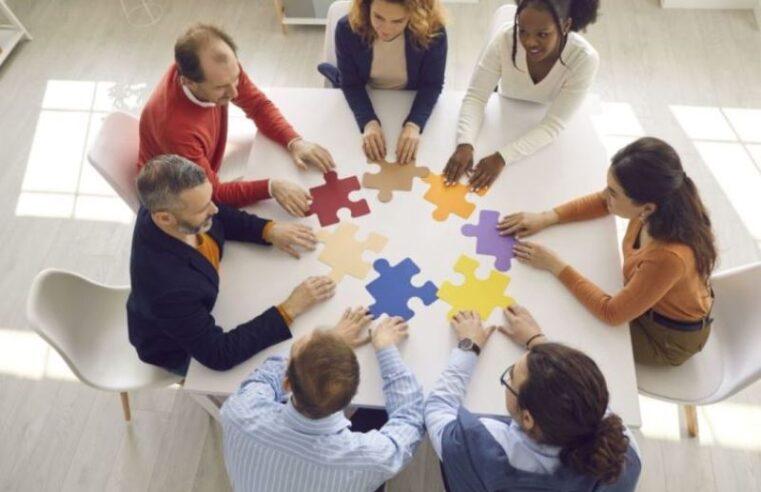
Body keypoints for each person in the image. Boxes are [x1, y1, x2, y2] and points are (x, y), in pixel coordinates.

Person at [501, 137, 717, 366]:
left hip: (665, 338)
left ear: (646, 208)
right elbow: (603, 203)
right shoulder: (661, 205)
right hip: (647, 304)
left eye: (613, 192)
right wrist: (546, 218)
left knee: (569, 330)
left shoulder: (669, 257)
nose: (605, 195)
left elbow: (611, 313)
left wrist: (554, 265)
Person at [127, 154, 336, 376]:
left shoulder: (173, 206)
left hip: (202, 301)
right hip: (179, 350)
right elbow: (219, 354)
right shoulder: (168, 291)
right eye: (202, 209)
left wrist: (267, 230)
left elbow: (220, 215)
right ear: (164, 218)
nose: (214, 210)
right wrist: (290, 309)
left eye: (210, 199)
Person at [426, 306, 641, 491]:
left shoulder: (473, 444)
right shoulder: (626, 454)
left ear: (528, 418)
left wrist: (469, 346)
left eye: (511, 376)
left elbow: (437, 407)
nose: (510, 378)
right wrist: (538, 342)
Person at [139, 23, 335, 215]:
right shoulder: (174, 129)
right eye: (220, 88)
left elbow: (257, 106)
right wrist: (271, 187)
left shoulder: (222, 72)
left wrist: (294, 141)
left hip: (203, 162)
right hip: (174, 193)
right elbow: (212, 194)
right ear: (189, 83)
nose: (234, 92)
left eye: (236, 78)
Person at [221, 309, 425, 492]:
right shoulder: (369, 460)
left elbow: (264, 378)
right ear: (352, 396)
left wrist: (327, 344)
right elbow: (409, 420)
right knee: (378, 412)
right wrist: (386, 349)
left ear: (287, 383)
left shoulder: (238, 412)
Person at [443, 0, 600, 190]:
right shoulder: (505, 39)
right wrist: (465, 143)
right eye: (523, 31)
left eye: (542, 34)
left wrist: (502, 158)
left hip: (542, 131)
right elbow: (476, 97)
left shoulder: (584, 59)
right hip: (505, 116)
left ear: (565, 25)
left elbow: (553, 125)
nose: (529, 42)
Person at [324, 0, 447, 164]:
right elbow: (351, 84)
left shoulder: (433, 32)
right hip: (368, 93)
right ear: (366, 6)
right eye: (378, 17)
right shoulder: (346, 29)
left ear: (415, 15)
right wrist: (368, 121)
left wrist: (414, 124)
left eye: (397, 21)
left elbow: (432, 85)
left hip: (409, 98)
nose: (386, 30)